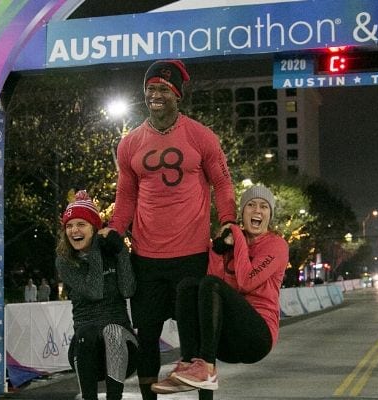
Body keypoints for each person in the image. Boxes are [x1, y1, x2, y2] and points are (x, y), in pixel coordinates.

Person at [102, 59, 236, 400]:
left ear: (178, 95)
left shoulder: (200, 135)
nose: (155, 95)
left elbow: (222, 183)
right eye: (150, 89)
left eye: (163, 89)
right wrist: (116, 229)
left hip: (192, 255)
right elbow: (126, 194)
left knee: (197, 340)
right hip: (146, 258)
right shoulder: (129, 143)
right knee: (147, 336)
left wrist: (229, 222)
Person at [151, 185, 288, 395]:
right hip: (228, 340)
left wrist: (237, 236)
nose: (257, 211)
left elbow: (246, 282)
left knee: (210, 285)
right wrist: (217, 250)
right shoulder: (229, 245)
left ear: (270, 214)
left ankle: (204, 368)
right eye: (251, 205)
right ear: (242, 212)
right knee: (189, 286)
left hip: (257, 337)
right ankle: (190, 365)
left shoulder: (276, 245)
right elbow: (211, 285)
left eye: (264, 207)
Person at [56, 190, 138, 400]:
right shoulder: (65, 261)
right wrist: (95, 250)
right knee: (87, 331)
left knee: (112, 331)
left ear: (95, 227)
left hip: (123, 348)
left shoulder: (113, 253)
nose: (74, 230)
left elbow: (129, 290)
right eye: (69, 226)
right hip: (87, 350)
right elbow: (94, 291)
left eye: (81, 224)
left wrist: (120, 251)